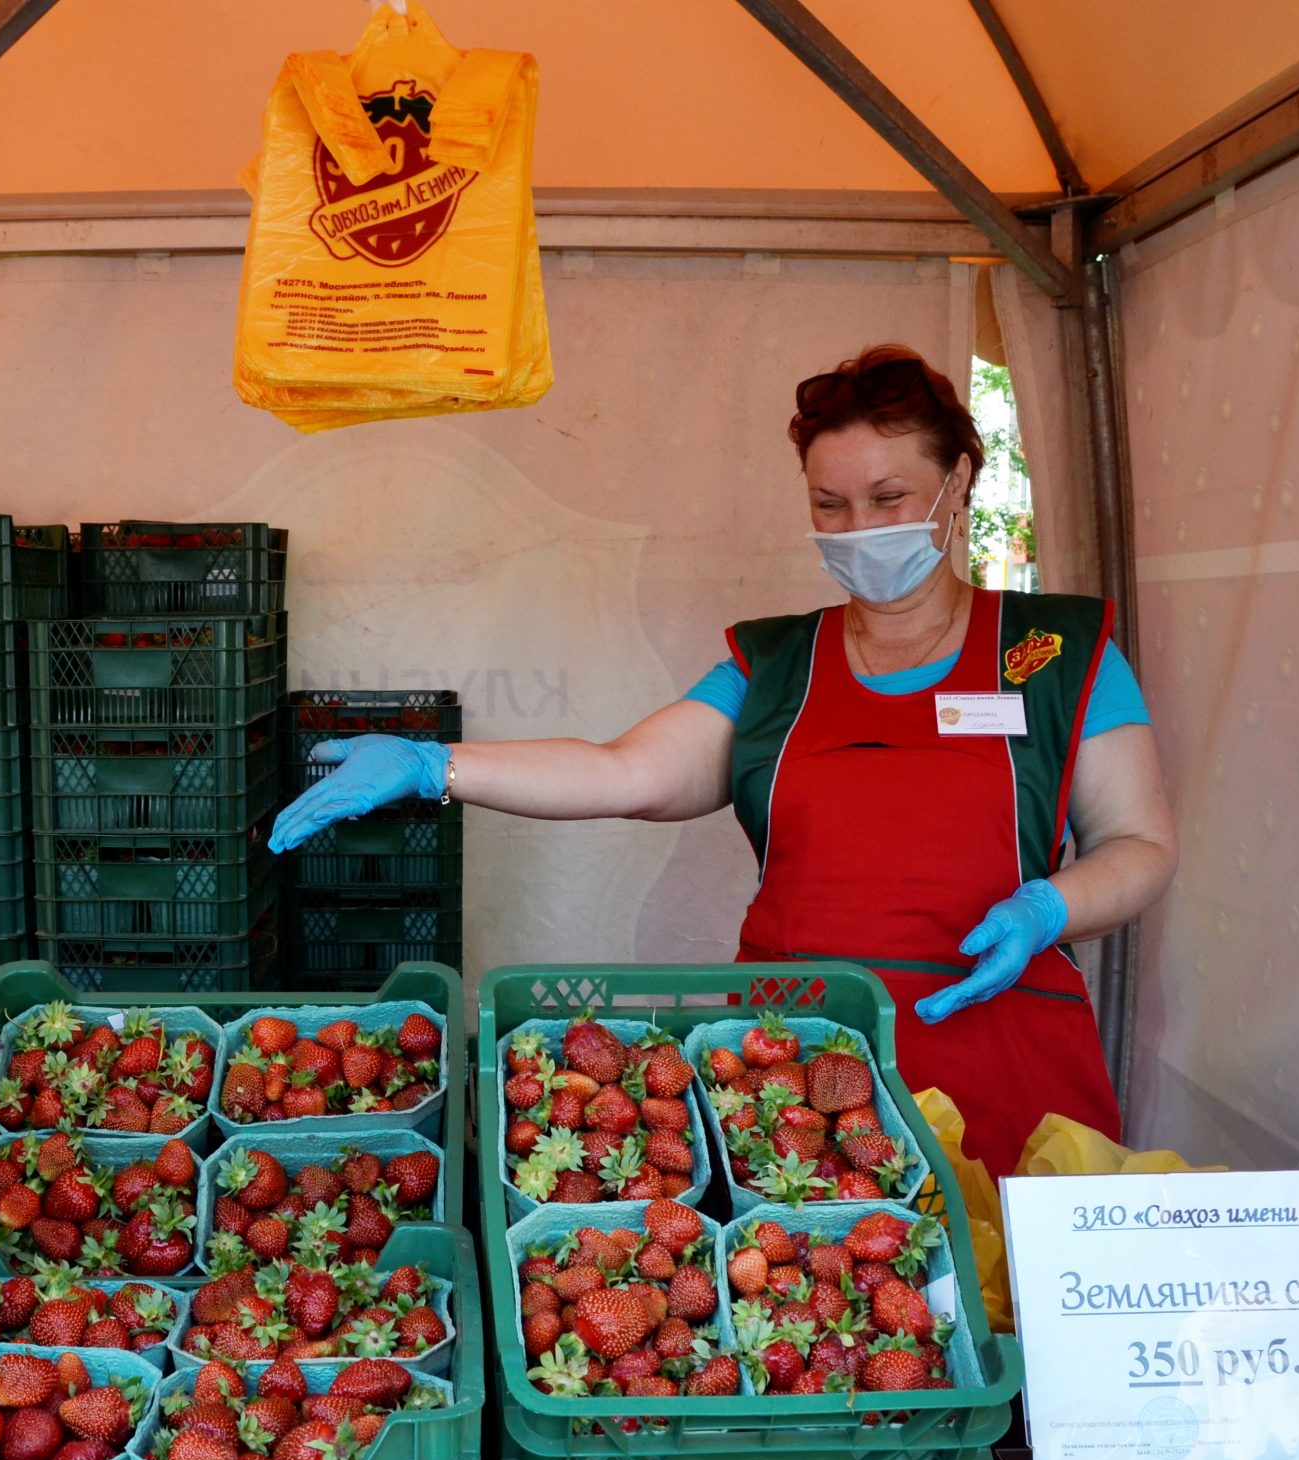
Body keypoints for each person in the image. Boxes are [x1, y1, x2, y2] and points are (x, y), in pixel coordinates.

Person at [269, 345, 1178, 1173]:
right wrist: (437, 766)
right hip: (799, 1066)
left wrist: (1053, 906)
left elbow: (1139, 844)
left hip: (1004, 1055)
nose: (860, 526)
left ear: (959, 481)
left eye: (890, 499)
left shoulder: (1060, 653)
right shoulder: (774, 665)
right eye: (831, 505)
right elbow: (623, 772)